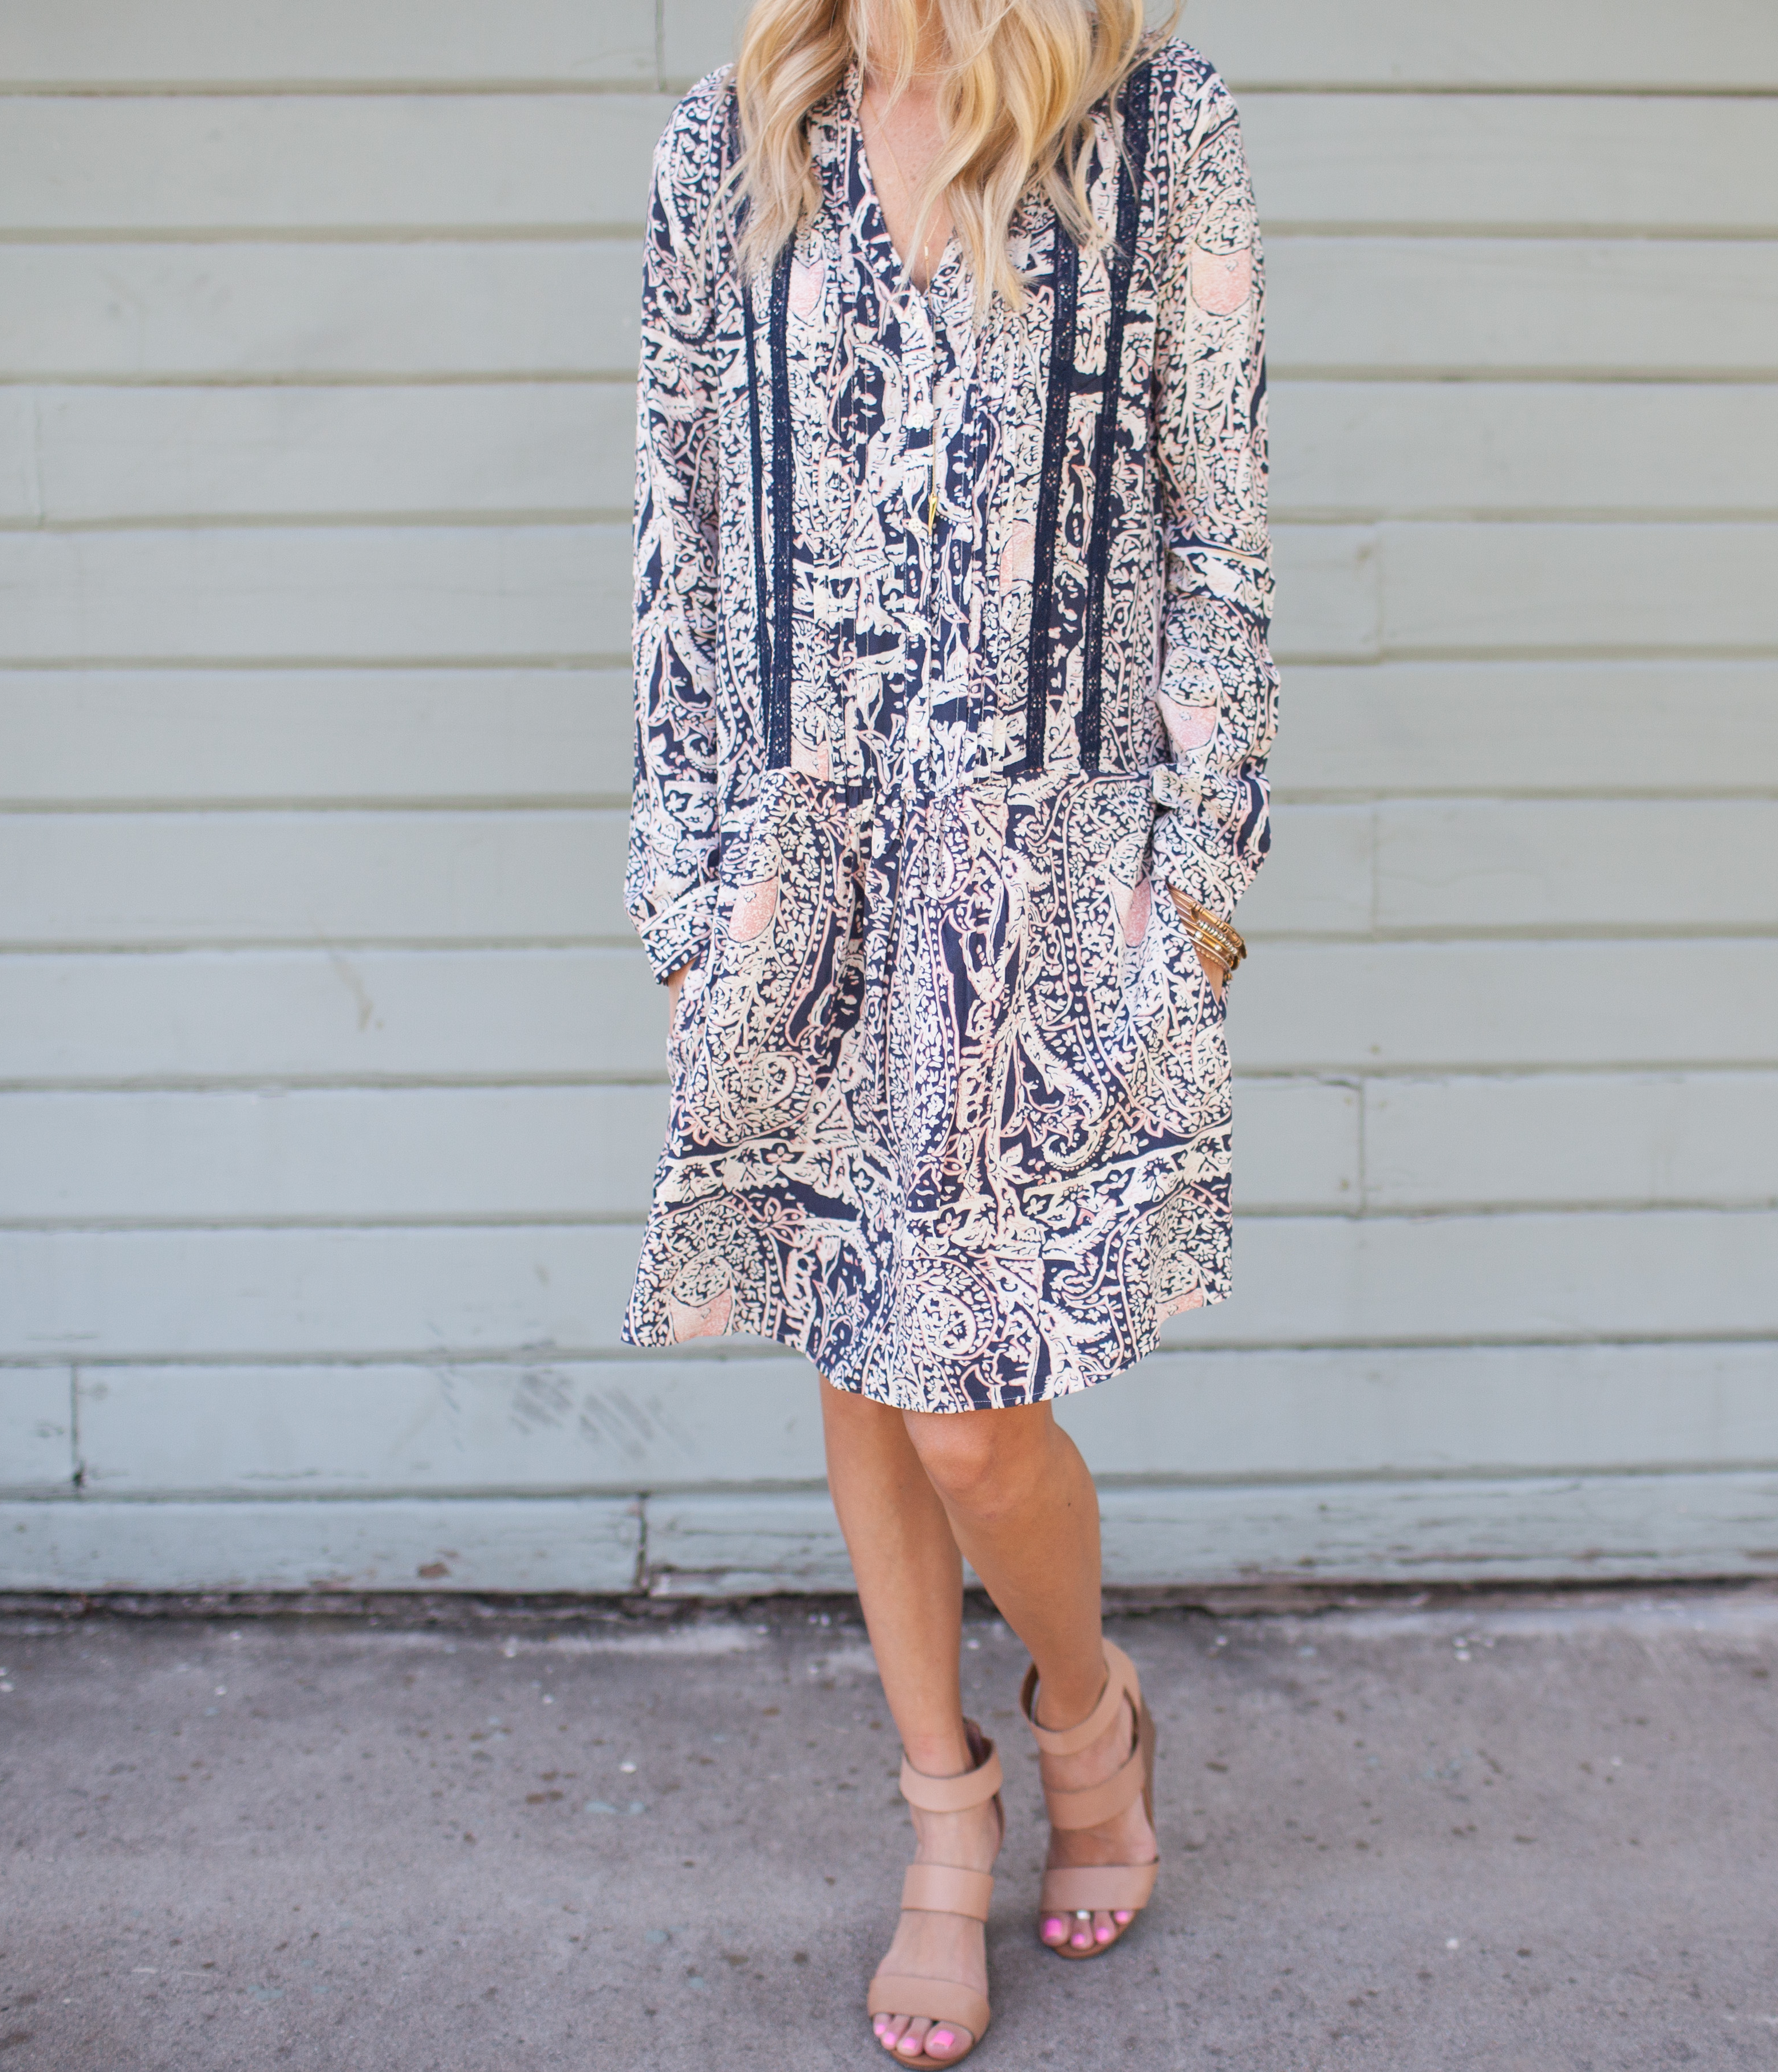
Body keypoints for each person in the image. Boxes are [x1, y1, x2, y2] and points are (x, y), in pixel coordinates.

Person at [617, 0, 1272, 2057]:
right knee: (858, 1354)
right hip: (798, 866)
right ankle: (942, 1816)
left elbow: (1219, 525)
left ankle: (1088, 1710)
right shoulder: (731, 142)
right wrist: (686, 896)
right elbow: (676, 540)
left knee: (971, 1412)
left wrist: (1201, 876)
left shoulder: (1152, 126)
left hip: (1049, 873)